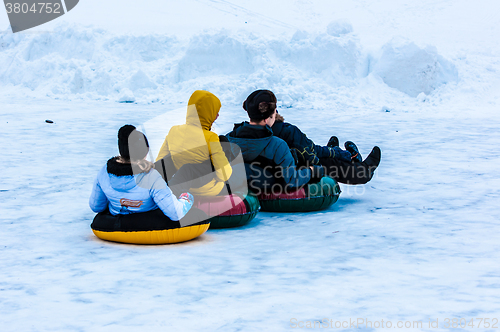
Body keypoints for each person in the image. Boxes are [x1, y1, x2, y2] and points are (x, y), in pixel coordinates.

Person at [249, 90, 381, 185]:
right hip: (294, 173)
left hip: (268, 174)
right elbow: (311, 153)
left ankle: (342, 154)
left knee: (322, 154)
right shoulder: (286, 131)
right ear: (271, 114)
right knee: (327, 162)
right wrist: (334, 154)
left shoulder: (239, 134)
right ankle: (361, 169)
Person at [226, 90, 325, 194]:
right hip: (267, 187)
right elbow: (291, 180)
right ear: (267, 118)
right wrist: (312, 171)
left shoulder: (229, 138)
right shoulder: (277, 145)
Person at [89, 125, 194, 221]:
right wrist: (187, 198)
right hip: (147, 221)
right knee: (181, 180)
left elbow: (96, 206)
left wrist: (117, 199)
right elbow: (175, 214)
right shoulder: (151, 177)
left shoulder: (105, 172)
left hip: (117, 220)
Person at [155, 90, 233, 196]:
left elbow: (160, 161)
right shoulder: (211, 137)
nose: (217, 115)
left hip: (180, 182)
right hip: (205, 190)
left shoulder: (173, 130)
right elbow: (223, 175)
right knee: (223, 145)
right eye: (215, 112)